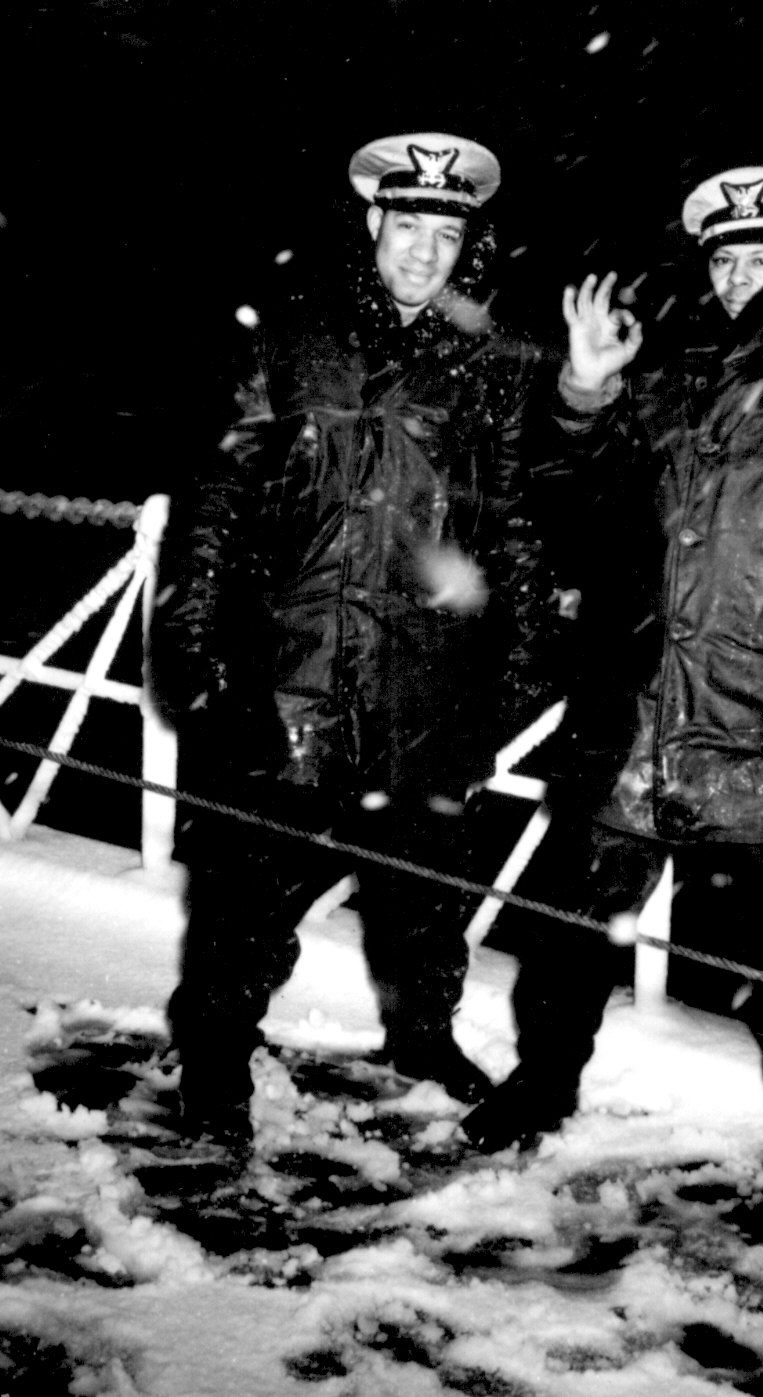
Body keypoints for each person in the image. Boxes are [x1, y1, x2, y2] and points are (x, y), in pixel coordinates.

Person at [462, 164, 763, 1238]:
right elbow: (562, 503)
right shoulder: (663, 380)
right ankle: (541, 1087)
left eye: (761, 259)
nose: (737, 278)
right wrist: (583, 390)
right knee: (571, 926)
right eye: (724, 258)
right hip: (634, 709)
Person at [152, 131, 555, 1143]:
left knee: (427, 885)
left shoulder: (489, 366)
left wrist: (516, 658)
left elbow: (507, 520)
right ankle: (213, 1053)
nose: (423, 251)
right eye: (407, 225)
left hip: (426, 679)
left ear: (468, 244)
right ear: (374, 223)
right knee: (251, 887)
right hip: (298, 664)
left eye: (445, 233)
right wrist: (190, 632)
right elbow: (218, 498)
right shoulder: (293, 346)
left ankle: (421, 1034)